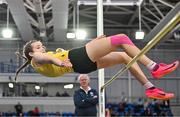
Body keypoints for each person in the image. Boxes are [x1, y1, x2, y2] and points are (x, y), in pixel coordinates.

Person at [15, 34, 179, 100]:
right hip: (76, 58)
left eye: (41, 46)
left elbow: (55, 57)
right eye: (38, 47)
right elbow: (49, 58)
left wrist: (93, 43)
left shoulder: (41, 62)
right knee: (121, 38)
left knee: (124, 56)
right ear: (30, 54)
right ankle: (154, 67)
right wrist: (61, 62)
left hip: (81, 64)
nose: (41, 48)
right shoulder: (37, 59)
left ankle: (150, 88)